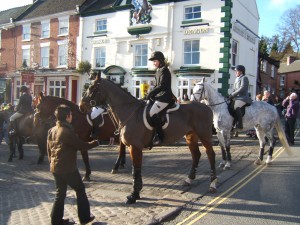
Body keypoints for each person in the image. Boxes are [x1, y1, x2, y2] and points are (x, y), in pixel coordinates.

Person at [47, 104, 99, 225]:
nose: (71, 117)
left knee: (60, 194)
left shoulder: (52, 130)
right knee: (80, 189)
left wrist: (52, 163)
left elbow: (48, 149)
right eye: (70, 115)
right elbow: (81, 146)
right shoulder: (66, 131)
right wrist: (95, 143)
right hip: (67, 168)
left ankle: (56, 220)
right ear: (67, 116)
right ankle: (85, 217)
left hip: (55, 167)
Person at [147, 51, 175, 145]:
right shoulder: (158, 71)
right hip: (159, 97)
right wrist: (148, 95)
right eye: (153, 61)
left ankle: (160, 136)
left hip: (165, 97)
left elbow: (162, 86)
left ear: (160, 60)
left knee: (152, 113)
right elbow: (156, 86)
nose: (154, 63)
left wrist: (150, 94)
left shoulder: (165, 70)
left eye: (155, 61)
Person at [228, 65, 252, 129]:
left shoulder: (244, 78)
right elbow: (235, 89)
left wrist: (233, 94)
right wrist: (230, 95)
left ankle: (240, 124)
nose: (235, 72)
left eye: (237, 71)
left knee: (236, 107)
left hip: (243, 98)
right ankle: (232, 123)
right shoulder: (236, 79)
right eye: (235, 71)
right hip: (237, 98)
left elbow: (242, 88)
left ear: (241, 72)